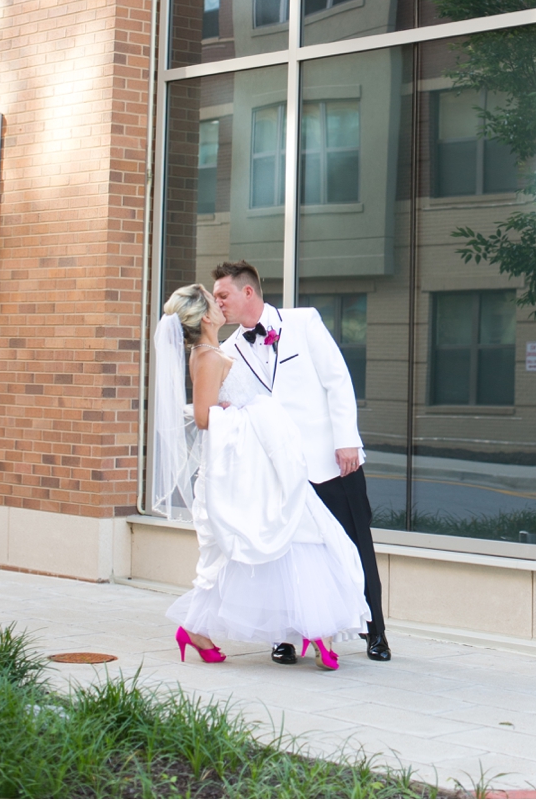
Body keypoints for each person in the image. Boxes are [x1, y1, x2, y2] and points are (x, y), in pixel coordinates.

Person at [153, 284, 370, 671]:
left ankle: (311, 626)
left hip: (256, 464)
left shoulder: (218, 351)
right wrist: (250, 412)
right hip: (234, 471)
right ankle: (200, 628)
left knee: (295, 535)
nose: (220, 306)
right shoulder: (207, 356)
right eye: (213, 301)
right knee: (251, 546)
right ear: (205, 317)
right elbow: (205, 418)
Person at [211, 260, 391, 663]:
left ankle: (374, 631)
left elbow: (337, 379)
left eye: (223, 295)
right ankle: (286, 635)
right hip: (275, 469)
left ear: (248, 292)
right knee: (283, 552)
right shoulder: (227, 351)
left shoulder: (304, 321)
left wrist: (347, 440)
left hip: (329, 460)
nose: (218, 302)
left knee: (355, 543)